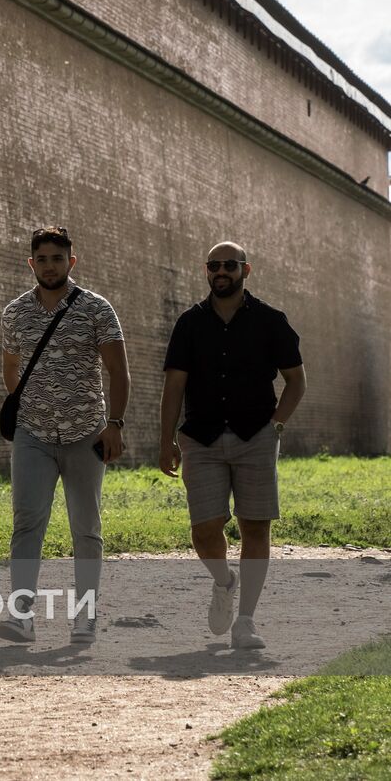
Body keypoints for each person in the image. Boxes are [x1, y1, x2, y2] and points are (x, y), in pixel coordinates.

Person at [159, 241, 305, 650]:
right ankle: (225, 582)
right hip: (200, 438)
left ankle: (246, 620)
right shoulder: (190, 323)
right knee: (205, 532)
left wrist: (276, 425)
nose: (221, 271)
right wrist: (166, 438)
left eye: (229, 265)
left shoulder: (271, 321)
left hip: (255, 434)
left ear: (246, 270)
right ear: (206, 271)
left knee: (255, 526)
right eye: (214, 266)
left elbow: (296, 381)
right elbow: (174, 386)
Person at [0, 226, 129, 645]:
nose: (50, 265)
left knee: (85, 528)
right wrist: (28, 407)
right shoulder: (15, 312)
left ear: (71, 262)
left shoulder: (96, 309)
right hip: (32, 434)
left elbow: (118, 372)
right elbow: (10, 368)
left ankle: (85, 617)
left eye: (58, 258)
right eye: (42, 258)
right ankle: (21, 617)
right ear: (31, 263)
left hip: (86, 433)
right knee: (27, 523)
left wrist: (115, 424)